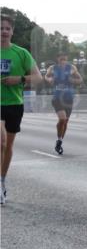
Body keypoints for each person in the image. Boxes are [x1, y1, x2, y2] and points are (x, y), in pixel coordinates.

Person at [1, 14, 43, 205]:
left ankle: (2, 181)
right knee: (1, 142)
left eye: (7, 28)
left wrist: (19, 79)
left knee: (8, 146)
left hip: (15, 104)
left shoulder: (21, 53)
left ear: (12, 31)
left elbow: (38, 77)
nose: (3, 31)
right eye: (0, 28)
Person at [44, 53, 83, 155]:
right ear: (58, 59)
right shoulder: (52, 68)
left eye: (65, 59)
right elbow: (46, 76)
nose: (63, 61)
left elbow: (80, 80)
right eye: (61, 59)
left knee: (65, 122)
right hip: (57, 98)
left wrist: (73, 80)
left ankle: (59, 140)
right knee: (62, 119)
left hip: (69, 98)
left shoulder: (72, 68)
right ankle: (59, 137)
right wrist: (50, 80)